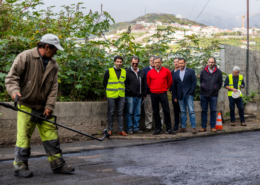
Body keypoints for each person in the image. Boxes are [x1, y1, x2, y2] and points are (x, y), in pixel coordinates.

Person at [5, 34, 75, 178]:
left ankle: (58, 164)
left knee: (51, 135)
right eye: (54, 49)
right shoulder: (25, 57)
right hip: (26, 105)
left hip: (44, 107)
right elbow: (12, 78)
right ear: (46, 47)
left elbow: (53, 88)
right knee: (23, 137)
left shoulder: (53, 65)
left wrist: (49, 106)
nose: (56, 52)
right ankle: (20, 166)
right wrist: (14, 92)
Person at [147, 56, 174, 135]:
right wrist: (153, 88)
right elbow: (148, 83)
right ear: (153, 63)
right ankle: (158, 128)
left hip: (163, 93)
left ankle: (168, 128)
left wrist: (165, 87)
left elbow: (170, 81)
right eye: (155, 62)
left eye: (158, 62)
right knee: (155, 111)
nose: (157, 64)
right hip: (154, 93)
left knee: (166, 110)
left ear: (161, 62)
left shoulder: (166, 71)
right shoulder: (150, 72)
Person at [103, 56, 128, 136]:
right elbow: (104, 83)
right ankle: (110, 130)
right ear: (114, 62)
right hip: (111, 95)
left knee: (120, 112)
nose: (119, 63)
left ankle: (120, 130)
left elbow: (125, 83)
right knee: (111, 112)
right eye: (117, 62)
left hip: (121, 95)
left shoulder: (124, 71)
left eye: (120, 62)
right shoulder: (109, 71)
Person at [172, 58, 197, 134]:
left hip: (188, 94)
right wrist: (175, 96)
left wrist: (191, 92)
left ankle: (193, 127)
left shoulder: (191, 71)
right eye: (179, 63)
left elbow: (194, 82)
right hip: (180, 95)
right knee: (182, 111)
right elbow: (174, 86)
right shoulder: (176, 73)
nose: (180, 65)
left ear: (185, 63)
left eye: (182, 63)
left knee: (191, 111)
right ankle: (183, 127)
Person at [199, 57, 223, 133]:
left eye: (212, 62)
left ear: (214, 63)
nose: (210, 63)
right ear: (207, 62)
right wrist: (203, 86)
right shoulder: (203, 71)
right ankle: (203, 126)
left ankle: (212, 126)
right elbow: (201, 81)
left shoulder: (218, 72)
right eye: (209, 62)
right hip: (204, 93)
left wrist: (216, 89)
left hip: (213, 94)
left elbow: (220, 82)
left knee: (213, 110)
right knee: (204, 110)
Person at [125, 56, 147, 134]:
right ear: (131, 63)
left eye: (136, 63)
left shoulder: (141, 72)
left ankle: (136, 128)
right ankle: (129, 128)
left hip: (139, 95)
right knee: (130, 112)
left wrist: (144, 93)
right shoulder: (126, 71)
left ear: (138, 63)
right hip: (130, 95)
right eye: (133, 63)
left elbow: (144, 83)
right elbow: (125, 83)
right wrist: (129, 89)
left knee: (137, 113)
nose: (135, 65)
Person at [142, 56, 164, 131]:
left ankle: (160, 126)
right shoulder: (145, 70)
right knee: (148, 110)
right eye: (151, 60)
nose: (152, 62)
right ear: (149, 61)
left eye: (154, 61)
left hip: (159, 93)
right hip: (148, 94)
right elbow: (143, 82)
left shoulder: (161, 70)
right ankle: (148, 126)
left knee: (160, 110)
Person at [170, 58, 181, 131]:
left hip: (182, 94)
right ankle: (176, 125)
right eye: (174, 62)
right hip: (174, 94)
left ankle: (183, 125)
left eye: (177, 62)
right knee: (176, 111)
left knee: (182, 110)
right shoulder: (171, 72)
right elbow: (169, 82)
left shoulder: (182, 71)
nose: (176, 63)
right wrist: (170, 90)